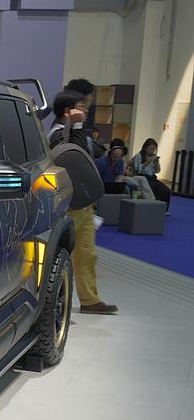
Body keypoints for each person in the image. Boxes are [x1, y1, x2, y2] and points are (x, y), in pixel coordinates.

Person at [48, 90, 118, 315]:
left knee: (86, 254)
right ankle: (55, 300)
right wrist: (77, 126)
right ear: (68, 110)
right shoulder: (57, 134)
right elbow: (74, 156)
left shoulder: (70, 132)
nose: (86, 111)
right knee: (64, 256)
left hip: (81, 203)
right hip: (69, 204)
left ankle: (90, 300)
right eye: (81, 107)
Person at [130, 138, 172, 213]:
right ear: (145, 147)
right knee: (152, 188)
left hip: (152, 178)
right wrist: (147, 162)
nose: (152, 151)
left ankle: (164, 209)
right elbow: (137, 169)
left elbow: (157, 171)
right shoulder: (138, 156)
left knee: (166, 190)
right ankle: (153, 207)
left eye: (154, 149)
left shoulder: (154, 157)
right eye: (150, 148)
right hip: (142, 177)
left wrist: (156, 164)